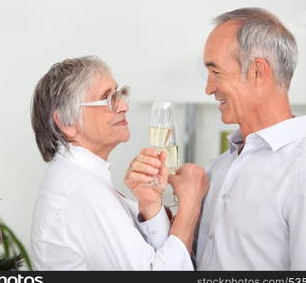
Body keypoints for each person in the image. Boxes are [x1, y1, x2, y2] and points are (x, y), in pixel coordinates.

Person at [126, 8, 306, 270]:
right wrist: (152, 206)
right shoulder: (217, 168)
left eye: (216, 72)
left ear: (258, 71)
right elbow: (183, 264)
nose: (209, 88)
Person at [30, 56, 204, 270]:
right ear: (66, 123)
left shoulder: (80, 179)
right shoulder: (83, 190)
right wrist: (190, 206)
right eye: (108, 98)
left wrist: (151, 206)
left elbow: (153, 257)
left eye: (120, 94)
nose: (123, 106)